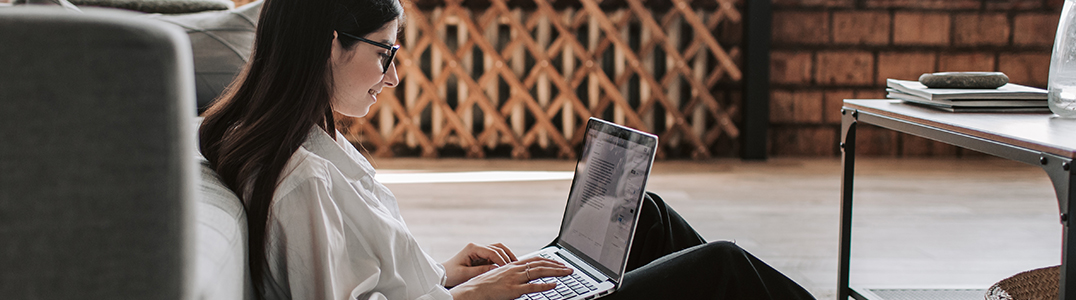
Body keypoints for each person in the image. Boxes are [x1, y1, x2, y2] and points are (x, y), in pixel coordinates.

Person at [198, 0, 817, 298]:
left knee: (643, 212)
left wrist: (442, 272)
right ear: (332, 44)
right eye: (385, 53)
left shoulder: (309, 142)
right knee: (724, 266)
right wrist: (477, 296)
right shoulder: (301, 178)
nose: (392, 76)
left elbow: (366, 279)